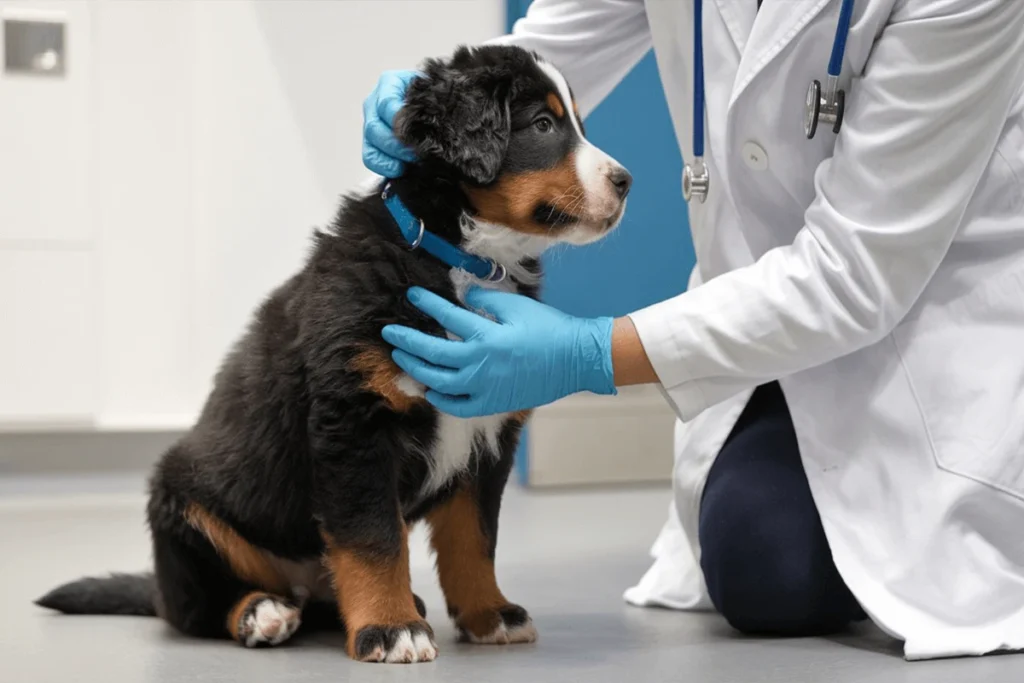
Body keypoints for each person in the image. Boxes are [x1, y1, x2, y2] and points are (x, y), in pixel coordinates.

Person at [363, 0, 1024, 661]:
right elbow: (545, 63)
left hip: (934, 337)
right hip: (758, 317)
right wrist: (429, 113)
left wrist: (589, 353)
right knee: (762, 557)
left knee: (769, 567)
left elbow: (857, 272)